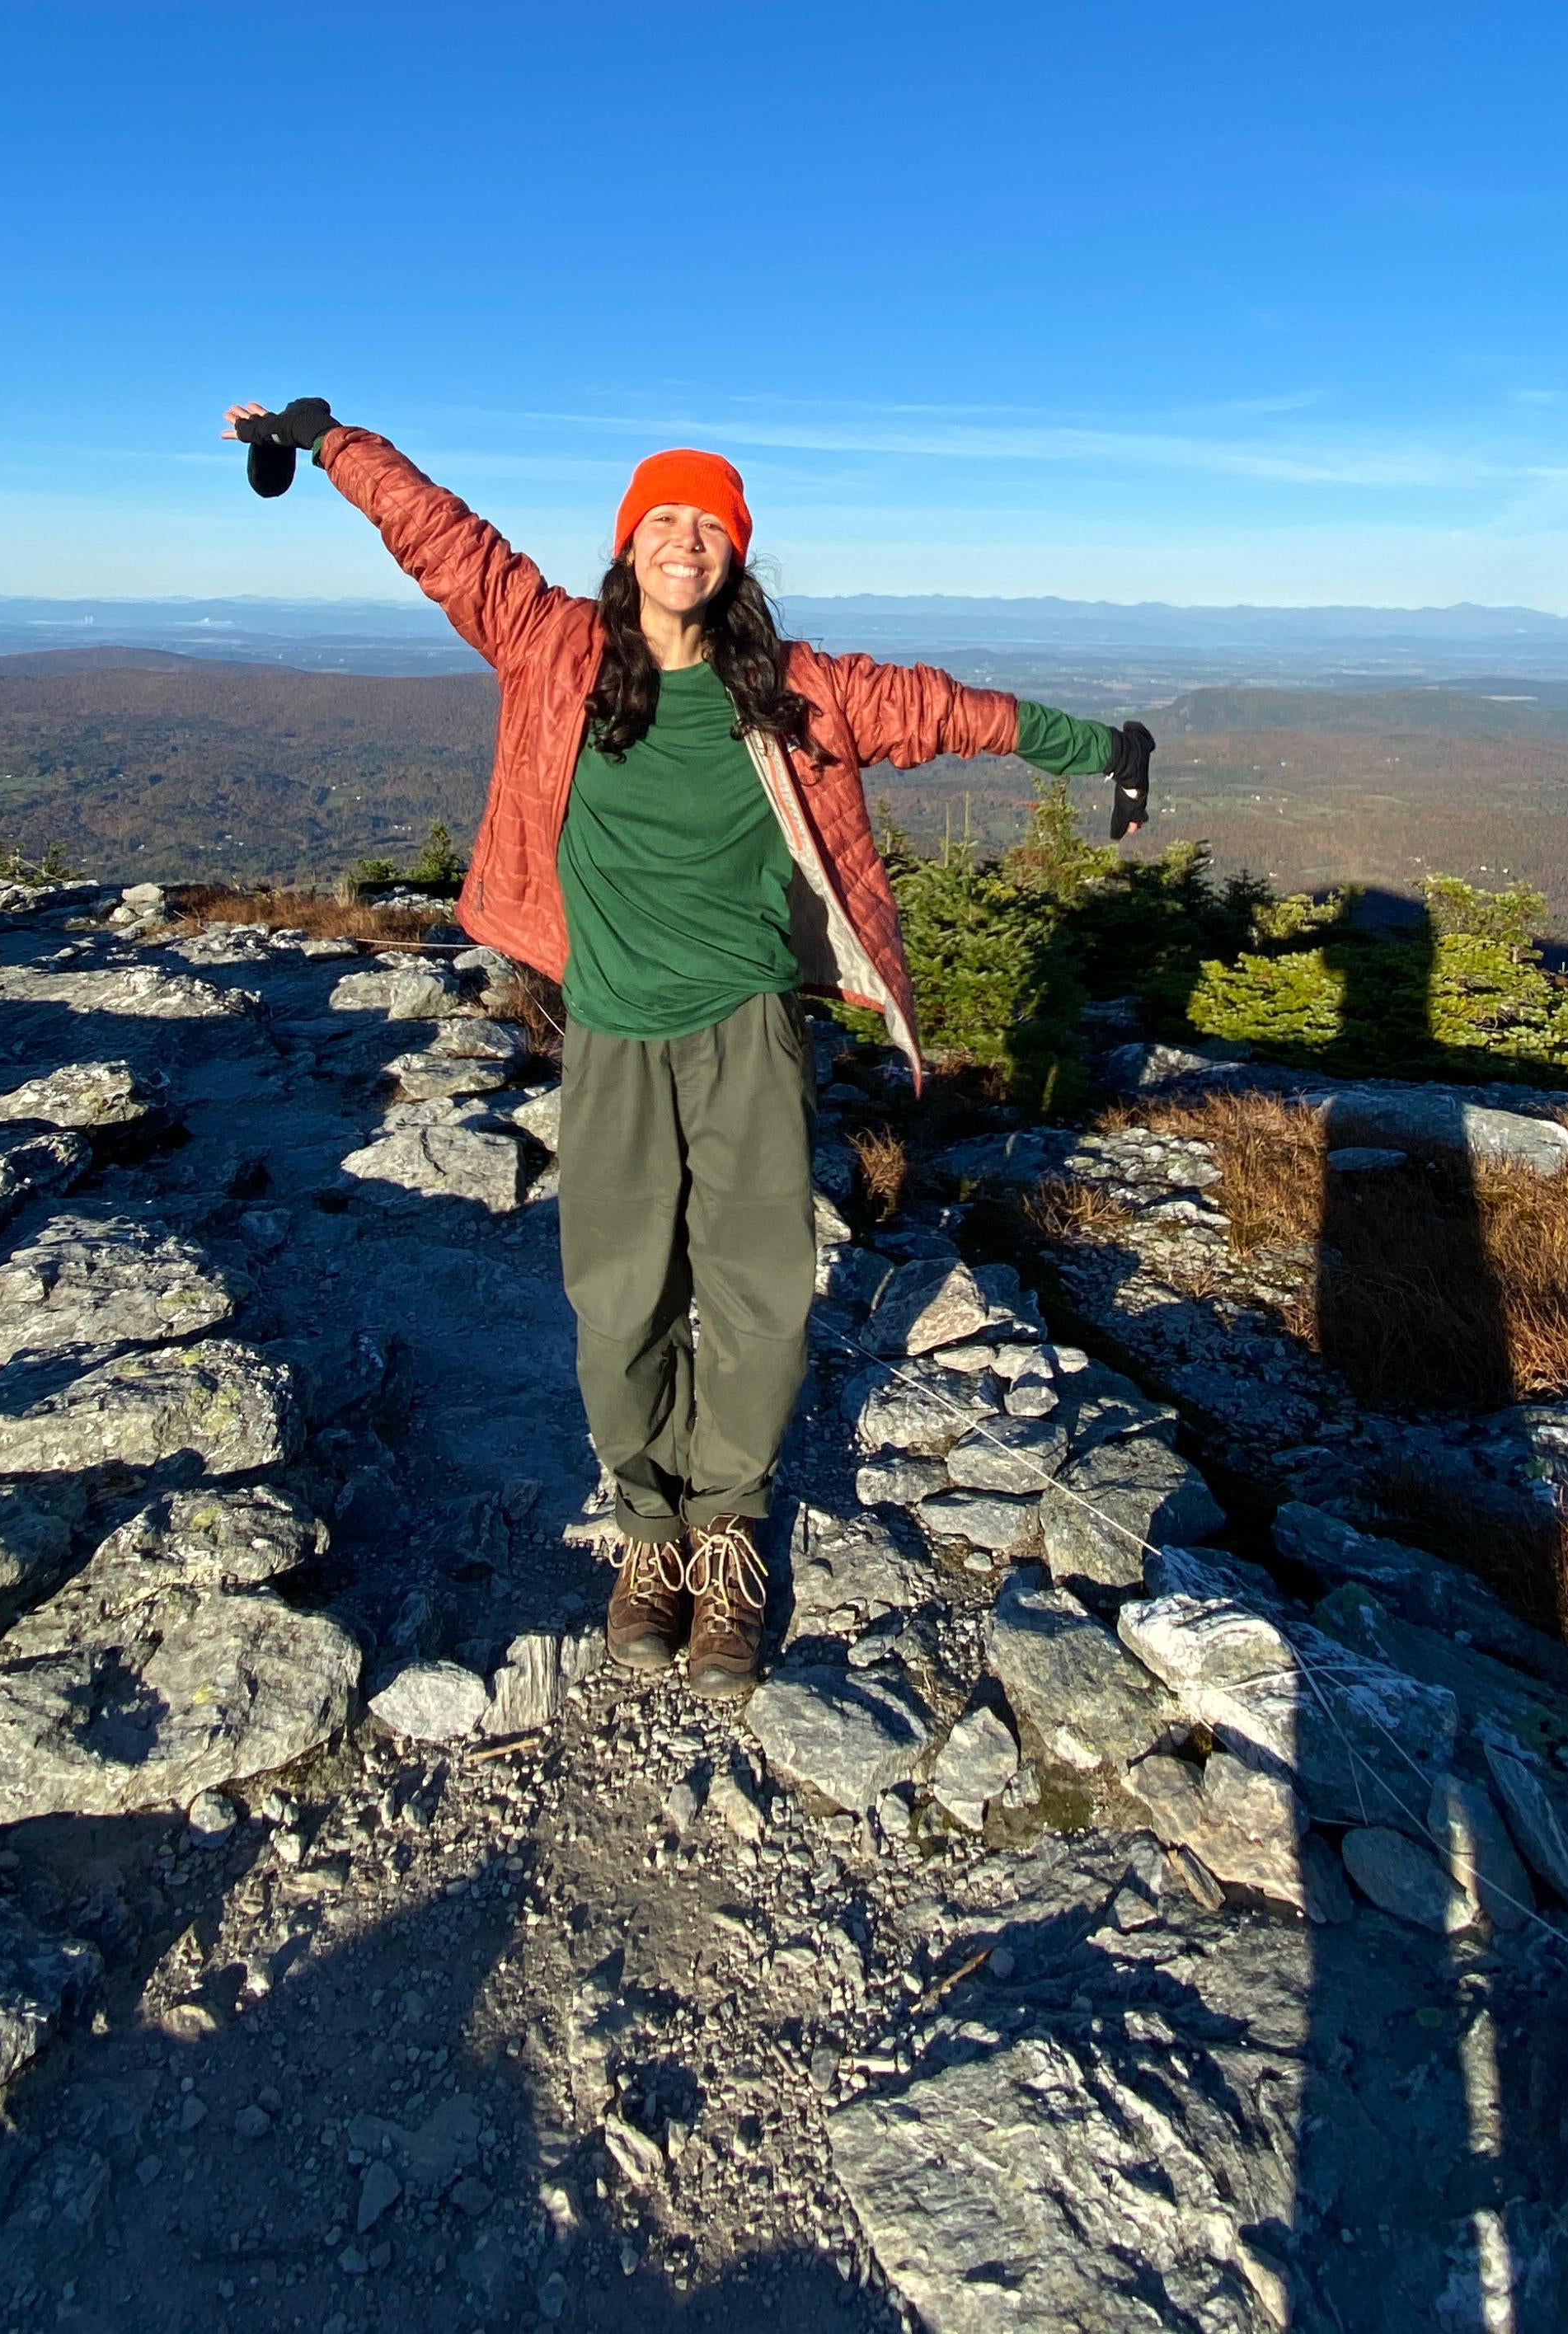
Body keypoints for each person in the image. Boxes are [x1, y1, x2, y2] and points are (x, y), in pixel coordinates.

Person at [223, 401, 1153, 1698]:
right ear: (627, 544)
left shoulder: (798, 690)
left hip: (749, 1033)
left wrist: (1103, 746)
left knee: (761, 1293)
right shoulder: (552, 650)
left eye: (707, 526)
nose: (683, 542)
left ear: (735, 554)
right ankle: (649, 1533)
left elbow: (949, 711)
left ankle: (728, 1535)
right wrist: (330, 441)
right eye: (663, 519)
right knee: (619, 1301)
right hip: (607, 1031)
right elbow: (441, 538)